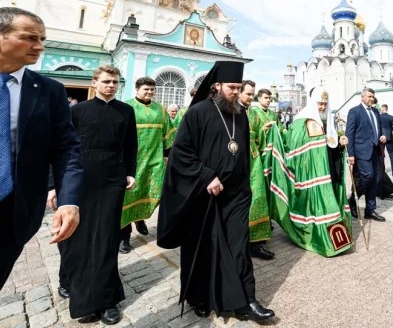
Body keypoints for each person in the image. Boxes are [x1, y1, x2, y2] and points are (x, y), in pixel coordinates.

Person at [157, 61, 274, 322]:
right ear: (217, 86)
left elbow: (241, 151)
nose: (236, 92)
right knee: (204, 247)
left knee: (239, 246)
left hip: (236, 194)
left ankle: (246, 301)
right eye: (232, 87)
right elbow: (181, 153)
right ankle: (200, 297)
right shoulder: (198, 112)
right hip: (203, 195)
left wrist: (246, 186)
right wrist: (207, 176)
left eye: (238, 87)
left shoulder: (240, 114)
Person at [0, 7, 83, 290]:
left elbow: (66, 150)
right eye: (30, 37)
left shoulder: (49, 91)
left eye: (42, 38)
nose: (40, 46)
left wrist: (69, 200)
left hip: (14, 213)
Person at [52, 65, 137, 324]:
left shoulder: (126, 111)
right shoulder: (76, 111)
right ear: (95, 82)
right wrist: (54, 185)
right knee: (75, 236)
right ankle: (67, 277)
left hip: (112, 180)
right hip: (80, 179)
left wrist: (130, 172)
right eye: (106, 81)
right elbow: (59, 148)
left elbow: (131, 145)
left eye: (115, 82)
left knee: (106, 238)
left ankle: (106, 300)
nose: (111, 85)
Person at [267, 87, 353, 257]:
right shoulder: (300, 122)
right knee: (321, 207)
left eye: (325, 104)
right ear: (313, 103)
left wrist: (340, 144)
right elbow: (292, 147)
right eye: (320, 103)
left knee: (328, 205)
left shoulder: (327, 122)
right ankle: (323, 241)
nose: (322, 107)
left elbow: (329, 147)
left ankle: (335, 240)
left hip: (327, 172)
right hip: (310, 176)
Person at [120, 77, 175, 253]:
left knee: (155, 194)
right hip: (133, 163)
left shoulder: (160, 109)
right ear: (137, 90)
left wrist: (168, 156)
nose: (150, 92)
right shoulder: (126, 107)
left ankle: (141, 218)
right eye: (146, 89)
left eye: (152, 89)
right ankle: (124, 237)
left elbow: (168, 134)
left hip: (155, 162)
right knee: (128, 198)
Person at [240, 80, 275, 260]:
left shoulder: (253, 113)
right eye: (247, 94)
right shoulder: (228, 112)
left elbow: (257, 137)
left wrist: (264, 130)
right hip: (235, 161)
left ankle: (256, 242)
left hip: (254, 160)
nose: (249, 97)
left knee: (259, 197)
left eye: (251, 94)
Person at [346, 87, 387, 222]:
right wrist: (351, 153)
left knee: (375, 180)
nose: (371, 98)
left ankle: (370, 210)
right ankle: (352, 199)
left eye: (372, 97)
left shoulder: (375, 112)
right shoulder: (355, 112)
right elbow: (349, 134)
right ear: (362, 97)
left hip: (376, 151)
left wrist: (382, 136)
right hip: (361, 152)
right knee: (367, 176)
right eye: (369, 96)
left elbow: (378, 130)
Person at [379, 104, 393, 176]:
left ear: (382, 109)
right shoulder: (391, 117)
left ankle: (381, 171)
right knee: (391, 154)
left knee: (381, 154)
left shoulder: (379, 117)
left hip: (381, 137)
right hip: (389, 137)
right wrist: (389, 130)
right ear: (387, 109)